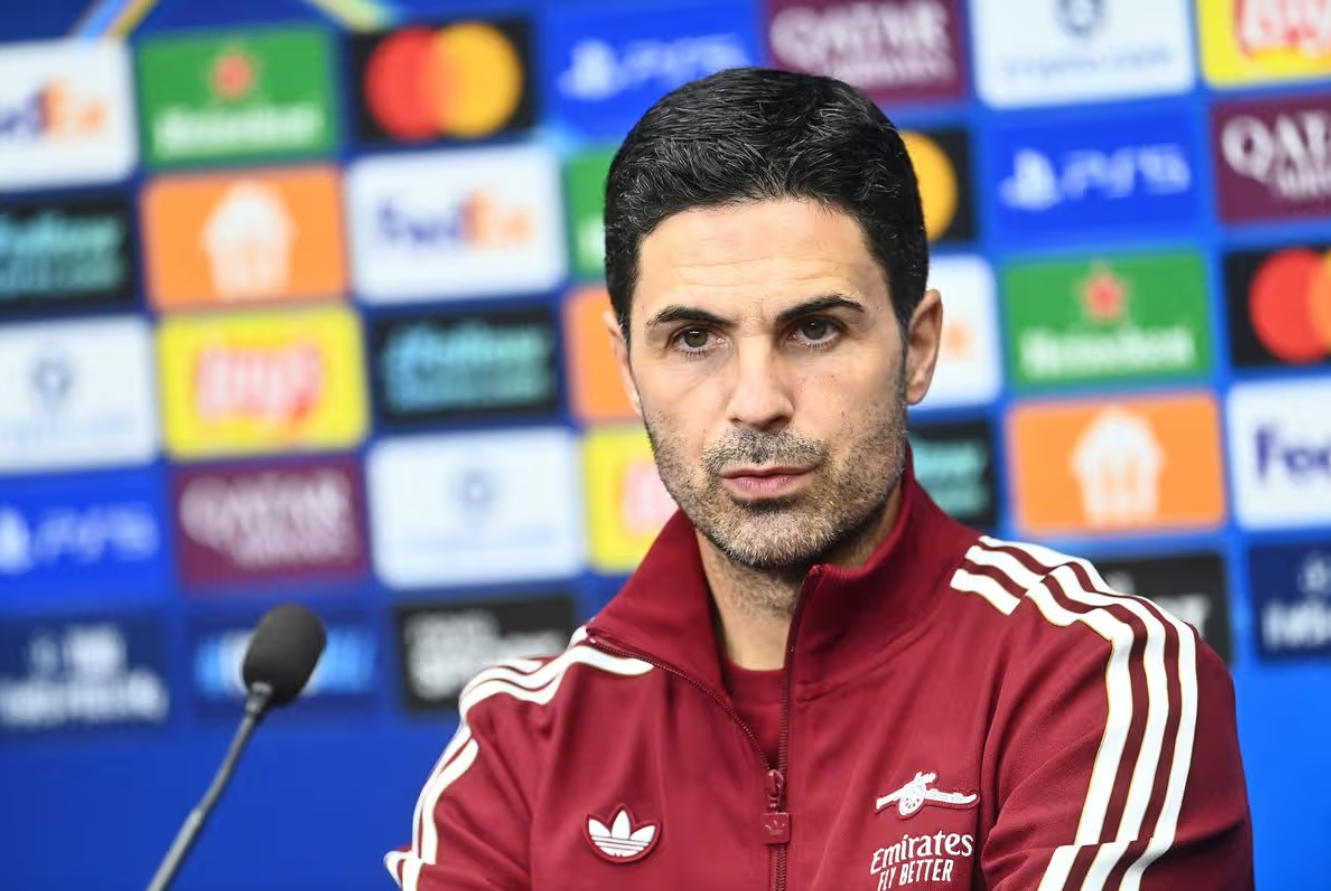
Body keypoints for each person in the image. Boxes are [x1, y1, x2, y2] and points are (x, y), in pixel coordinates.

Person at [384, 67, 1253, 891]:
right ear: (626, 367)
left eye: (813, 330)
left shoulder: (1093, 673)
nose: (757, 402)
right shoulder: (520, 746)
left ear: (917, 348)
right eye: (694, 339)